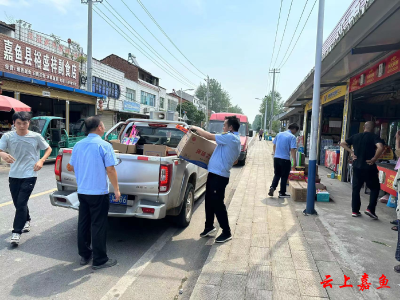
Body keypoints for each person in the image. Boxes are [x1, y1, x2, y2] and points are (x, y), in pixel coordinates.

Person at [67, 116, 120, 270]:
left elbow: (70, 166)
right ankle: (100, 260)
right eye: (103, 125)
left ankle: (85, 255)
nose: (103, 127)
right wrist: (116, 189)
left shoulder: (78, 145)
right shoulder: (104, 145)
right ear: (99, 128)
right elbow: (110, 169)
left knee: (83, 223)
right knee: (98, 225)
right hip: (98, 192)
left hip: (83, 191)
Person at [0, 111, 52, 245]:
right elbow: (0, 149)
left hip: (30, 174)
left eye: (25, 123)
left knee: (21, 203)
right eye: (19, 123)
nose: (22, 126)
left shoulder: (36, 136)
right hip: (14, 174)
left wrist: (41, 160)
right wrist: (2, 154)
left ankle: (16, 232)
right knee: (18, 203)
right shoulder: (8, 136)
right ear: (14, 124)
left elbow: (48, 149)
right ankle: (27, 219)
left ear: (29, 123)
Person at [190, 116, 241, 243]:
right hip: (215, 174)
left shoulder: (230, 137)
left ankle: (226, 231)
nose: (222, 127)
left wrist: (195, 128)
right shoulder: (233, 140)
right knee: (209, 200)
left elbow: (209, 136)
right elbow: (235, 161)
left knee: (218, 204)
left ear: (230, 127)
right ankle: (209, 226)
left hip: (219, 177)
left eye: (224, 125)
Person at [340, 121, 384, 219]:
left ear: (364, 127)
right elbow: (380, 147)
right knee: (375, 188)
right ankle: (370, 209)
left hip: (357, 166)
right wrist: (374, 159)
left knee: (356, 189)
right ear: (373, 128)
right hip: (369, 167)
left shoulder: (356, 136)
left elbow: (342, 143)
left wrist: (351, 152)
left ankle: (355, 211)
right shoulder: (374, 137)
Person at [268, 123, 299, 198]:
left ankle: (272, 187)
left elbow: (274, 145)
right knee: (284, 176)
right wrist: (294, 161)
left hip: (276, 158)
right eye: (296, 131)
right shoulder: (292, 137)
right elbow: (292, 150)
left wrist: (275, 154)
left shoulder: (279, 134)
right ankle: (282, 193)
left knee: (277, 174)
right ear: (294, 129)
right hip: (285, 159)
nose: (296, 132)